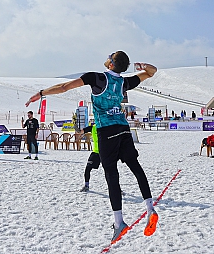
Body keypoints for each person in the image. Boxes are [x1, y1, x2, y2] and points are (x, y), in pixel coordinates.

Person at [25, 51, 159, 243]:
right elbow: (152, 72)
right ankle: (150, 208)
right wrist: (143, 66)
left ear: (111, 64)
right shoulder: (124, 82)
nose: (107, 56)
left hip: (106, 131)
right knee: (135, 166)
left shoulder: (96, 78)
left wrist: (41, 94)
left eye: (110, 56)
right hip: (123, 129)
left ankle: (119, 222)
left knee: (112, 174)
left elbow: (64, 87)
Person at [79, 123, 99, 192]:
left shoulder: (106, 126)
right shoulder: (93, 127)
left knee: (110, 171)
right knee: (87, 169)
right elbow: (81, 131)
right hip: (95, 152)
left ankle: (117, 188)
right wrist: (78, 129)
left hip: (105, 152)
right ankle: (86, 185)